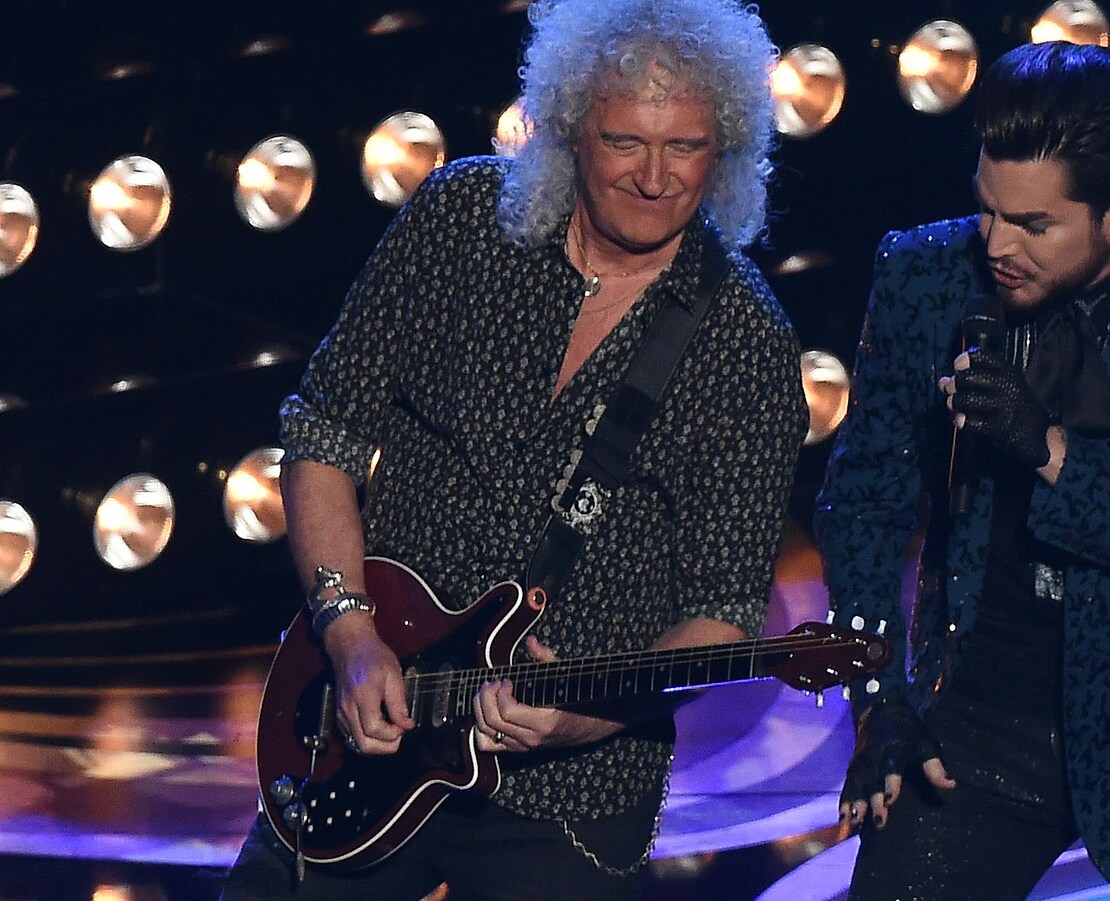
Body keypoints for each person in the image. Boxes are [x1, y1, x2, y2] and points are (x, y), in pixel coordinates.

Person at [220, 0, 807, 898]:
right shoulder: (459, 220)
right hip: (363, 722)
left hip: (574, 791)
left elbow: (722, 613)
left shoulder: (746, 343)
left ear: (724, 147)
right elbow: (325, 431)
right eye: (624, 143)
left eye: (684, 148)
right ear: (569, 128)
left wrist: (584, 717)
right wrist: (348, 632)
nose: (654, 179)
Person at [814, 42, 1110, 900]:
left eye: (1034, 226)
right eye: (987, 209)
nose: (996, 245)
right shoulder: (924, 275)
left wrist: (1049, 450)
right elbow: (863, 501)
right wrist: (878, 693)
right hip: (984, 720)